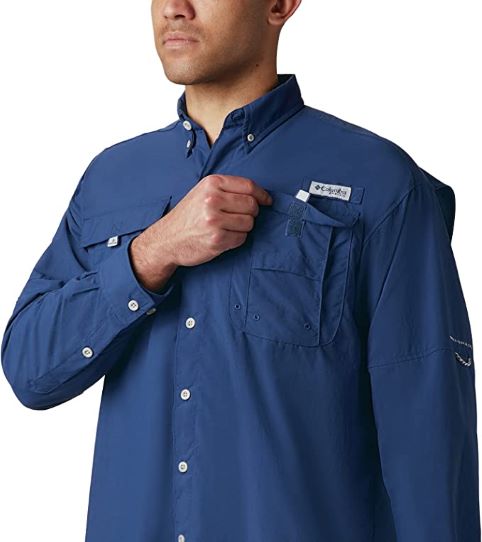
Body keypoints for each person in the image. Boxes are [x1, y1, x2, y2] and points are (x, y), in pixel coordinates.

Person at [1, 0, 480, 540]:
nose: (174, 8)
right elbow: (29, 371)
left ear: (279, 5)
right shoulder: (109, 179)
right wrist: (150, 254)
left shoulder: (382, 183)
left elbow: (429, 440)